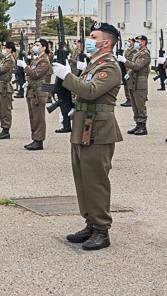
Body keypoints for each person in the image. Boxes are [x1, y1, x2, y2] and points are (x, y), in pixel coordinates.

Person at [52, 22, 123, 251]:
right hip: (84, 126)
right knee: (83, 179)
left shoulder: (110, 66)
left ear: (107, 42)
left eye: (94, 36)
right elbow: (84, 93)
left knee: (96, 181)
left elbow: (90, 90)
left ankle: (102, 230)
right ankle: (91, 223)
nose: (89, 40)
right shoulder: (95, 63)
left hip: (99, 130)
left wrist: (67, 76)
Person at [22, 38, 52, 150]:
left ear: (44, 47)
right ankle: (35, 138)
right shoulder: (36, 59)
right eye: (34, 44)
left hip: (39, 92)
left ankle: (39, 140)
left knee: (38, 117)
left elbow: (35, 74)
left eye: (37, 45)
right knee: (33, 116)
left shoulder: (44, 60)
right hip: (32, 90)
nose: (34, 46)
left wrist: (24, 67)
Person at [123, 35, 151, 135]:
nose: (136, 43)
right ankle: (138, 124)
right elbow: (133, 66)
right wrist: (128, 74)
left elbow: (137, 66)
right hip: (133, 81)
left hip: (140, 82)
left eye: (138, 41)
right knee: (134, 104)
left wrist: (125, 61)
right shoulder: (138, 53)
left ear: (143, 42)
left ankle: (143, 126)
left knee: (140, 104)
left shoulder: (145, 54)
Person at [0, 41, 16, 139]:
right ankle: (3, 128)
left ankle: (6, 129)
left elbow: (1, 70)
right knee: (1, 109)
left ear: (10, 49)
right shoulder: (5, 59)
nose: (4, 50)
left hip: (5, 87)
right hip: (1, 86)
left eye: (5, 48)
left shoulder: (10, 60)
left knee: (5, 109)